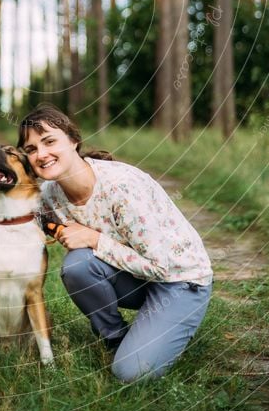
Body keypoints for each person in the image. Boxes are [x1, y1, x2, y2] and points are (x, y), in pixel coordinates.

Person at [17, 103, 213, 384]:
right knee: (78, 266)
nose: (41, 154)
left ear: (73, 141)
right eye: (31, 149)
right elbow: (15, 221)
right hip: (134, 279)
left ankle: (162, 328)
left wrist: (94, 239)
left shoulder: (121, 187)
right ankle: (115, 338)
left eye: (49, 142)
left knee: (131, 374)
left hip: (179, 281)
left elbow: (162, 267)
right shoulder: (49, 195)